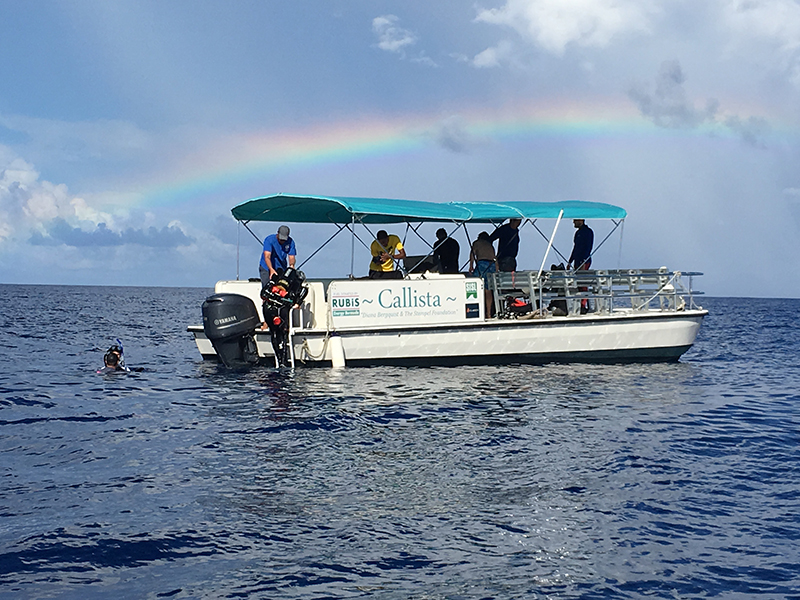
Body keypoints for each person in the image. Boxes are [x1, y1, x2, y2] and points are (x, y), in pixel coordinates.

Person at [469, 231, 497, 316]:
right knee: (488, 290)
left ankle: (477, 310)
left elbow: (472, 254)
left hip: (482, 263)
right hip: (492, 265)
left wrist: (471, 265)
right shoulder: (490, 245)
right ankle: (488, 313)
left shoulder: (477, 243)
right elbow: (495, 258)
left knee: (475, 285)